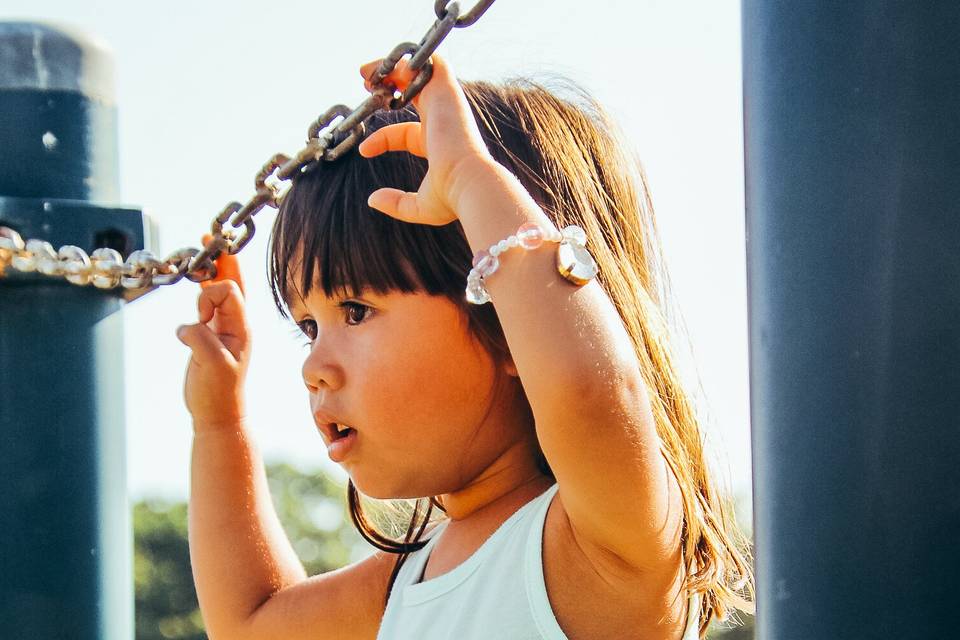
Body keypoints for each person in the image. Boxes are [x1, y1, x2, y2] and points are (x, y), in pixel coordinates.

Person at [175, 52, 754, 639]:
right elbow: (250, 623)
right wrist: (220, 422)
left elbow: (591, 392)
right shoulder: (406, 587)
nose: (314, 368)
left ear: (505, 324)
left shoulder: (600, 551)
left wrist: (473, 180)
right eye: (308, 327)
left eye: (355, 310)